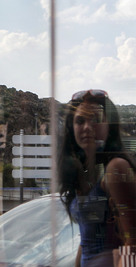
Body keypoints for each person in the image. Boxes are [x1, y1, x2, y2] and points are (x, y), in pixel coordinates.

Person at [58, 89, 136, 267]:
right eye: (80, 121)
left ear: (110, 126)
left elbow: (133, 243)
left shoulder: (116, 169)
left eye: (96, 119)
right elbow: (86, 241)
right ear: (72, 128)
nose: (87, 127)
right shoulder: (83, 174)